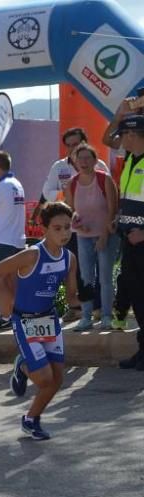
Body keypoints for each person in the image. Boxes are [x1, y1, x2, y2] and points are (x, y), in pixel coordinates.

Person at [0, 203, 79, 439]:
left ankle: (31, 420)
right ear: (45, 229)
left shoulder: (69, 259)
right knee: (44, 379)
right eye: (57, 228)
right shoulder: (32, 255)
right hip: (25, 321)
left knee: (57, 379)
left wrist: (84, 298)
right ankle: (23, 364)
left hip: (49, 319)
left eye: (68, 228)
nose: (64, 233)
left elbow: (71, 297)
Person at [64, 144, 120, 331]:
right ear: (75, 161)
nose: (84, 162)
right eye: (80, 159)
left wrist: (104, 235)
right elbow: (71, 210)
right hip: (83, 236)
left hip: (105, 235)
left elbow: (113, 211)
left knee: (105, 277)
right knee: (86, 278)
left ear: (96, 161)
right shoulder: (72, 183)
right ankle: (86, 316)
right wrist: (76, 221)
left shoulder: (105, 180)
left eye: (88, 158)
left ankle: (106, 316)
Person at [105, 112, 144, 369]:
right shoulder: (131, 160)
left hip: (142, 241)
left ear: (133, 134)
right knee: (137, 296)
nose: (121, 141)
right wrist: (118, 218)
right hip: (130, 241)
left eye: (124, 135)